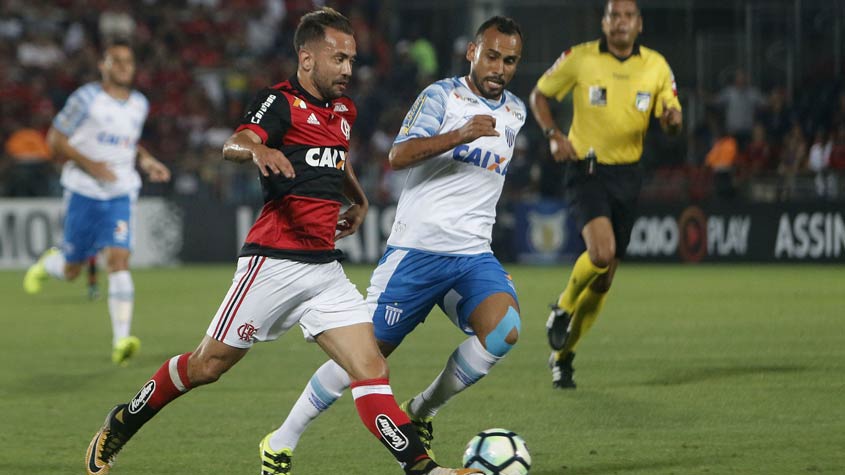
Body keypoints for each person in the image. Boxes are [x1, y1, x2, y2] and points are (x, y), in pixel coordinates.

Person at [82, 9, 478, 475]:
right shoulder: (280, 103)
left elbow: (336, 158)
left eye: (352, 59)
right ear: (307, 59)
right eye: (339, 59)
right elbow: (236, 141)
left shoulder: (343, 111)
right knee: (207, 366)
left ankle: (422, 468)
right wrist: (259, 148)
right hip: (272, 262)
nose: (349, 69)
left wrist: (360, 199)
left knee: (371, 370)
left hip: (324, 271)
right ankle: (122, 423)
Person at [261, 15, 526, 473]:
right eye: (492, 56)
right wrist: (459, 134)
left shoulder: (516, 112)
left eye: (510, 61)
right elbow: (399, 154)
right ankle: (281, 440)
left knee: (504, 332)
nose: (499, 67)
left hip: (472, 254)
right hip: (416, 253)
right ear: (472, 52)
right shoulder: (441, 97)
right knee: (362, 358)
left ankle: (421, 411)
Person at [529, 0, 683, 389]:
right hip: (588, 169)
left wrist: (672, 121)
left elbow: (672, 121)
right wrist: (553, 135)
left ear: (639, 24)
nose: (620, 23)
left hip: (629, 175)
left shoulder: (656, 66)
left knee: (604, 281)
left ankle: (563, 357)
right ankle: (562, 307)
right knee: (601, 252)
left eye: (628, 16)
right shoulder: (580, 59)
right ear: (604, 22)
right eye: (614, 16)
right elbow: (539, 96)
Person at [22, 39, 171, 365]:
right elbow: (55, 140)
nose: (122, 67)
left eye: (128, 62)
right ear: (102, 65)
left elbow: (129, 143)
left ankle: (122, 340)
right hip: (83, 190)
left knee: (118, 259)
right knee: (72, 268)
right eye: (115, 61)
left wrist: (147, 161)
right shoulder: (86, 98)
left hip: (120, 191)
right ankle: (50, 263)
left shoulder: (139, 104)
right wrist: (92, 166)